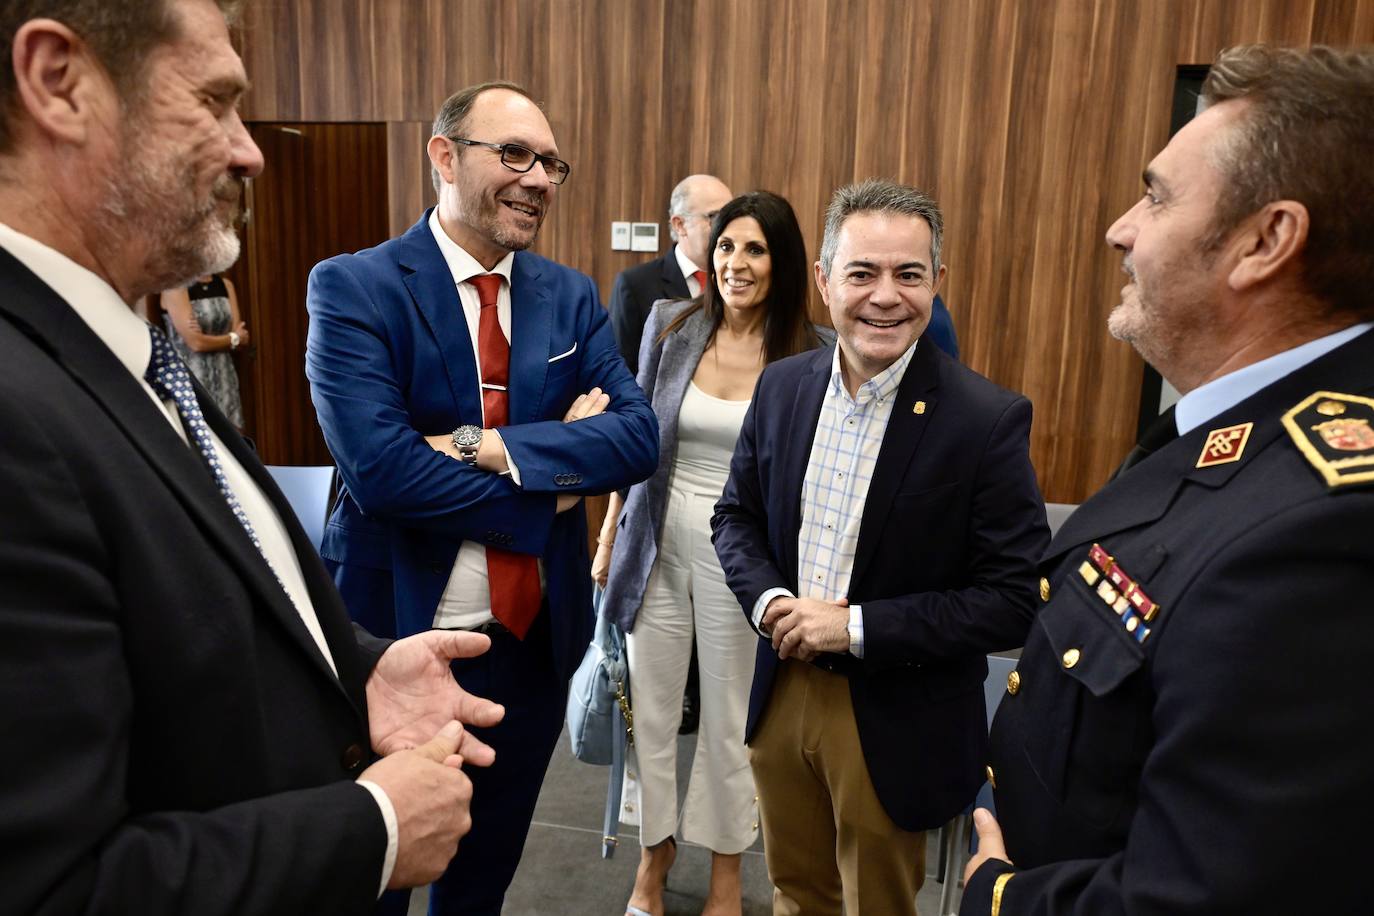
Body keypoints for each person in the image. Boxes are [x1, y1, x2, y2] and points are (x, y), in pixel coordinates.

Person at [0, 2, 508, 913]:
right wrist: (371, 831)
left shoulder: (124, 351)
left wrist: (357, 672)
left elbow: (187, 618)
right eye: (214, 102)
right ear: (58, 83)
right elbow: (48, 886)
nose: (251, 150)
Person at [960, 44, 1374, 916]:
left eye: (1155, 196)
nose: (1121, 227)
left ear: (1267, 241)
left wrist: (1000, 899)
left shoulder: (1321, 533)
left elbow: (1207, 895)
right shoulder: (1230, 427)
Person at [305, 80, 659, 916]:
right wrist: (555, 491)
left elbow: (637, 438)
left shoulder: (569, 296)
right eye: (515, 154)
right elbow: (383, 471)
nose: (538, 177)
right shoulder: (355, 289)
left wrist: (488, 446)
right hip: (389, 643)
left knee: (483, 879)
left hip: (529, 646)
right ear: (443, 156)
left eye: (550, 163)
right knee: (373, 878)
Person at [712, 178, 1049, 915]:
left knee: (878, 904)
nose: (885, 296)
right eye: (863, 273)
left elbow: (1013, 600)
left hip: (896, 714)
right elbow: (734, 518)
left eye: (910, 274)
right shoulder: (783, 388)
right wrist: (771, 603)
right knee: (797, 893)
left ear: (938, 283)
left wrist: (855, 625)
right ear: (827, 281)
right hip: (782, 690)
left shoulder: (985, 421)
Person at [595, 191, 831, 916]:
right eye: (727, 246)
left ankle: (727, 873)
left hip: (747, 559)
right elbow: (634, 439)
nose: (736, 263)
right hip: (656, 542)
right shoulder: (671, 325)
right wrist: (608, 537)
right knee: (654, 716)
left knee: (734, 723)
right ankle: (652, 862)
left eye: (755, 249)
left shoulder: (811, 352)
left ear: (781, 261)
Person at [608, 173, 733, 374]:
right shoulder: (635, 284)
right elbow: (619, 370)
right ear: (680, 224)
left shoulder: (737, 282)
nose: (726, 227)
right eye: (716, 217)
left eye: (730, 217)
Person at [161, 272, 249, 427]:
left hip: (225, 379)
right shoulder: (175, 286)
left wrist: (234, 338)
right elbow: (196, 343)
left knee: (232, 440)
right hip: (192, 379)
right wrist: (232, 338)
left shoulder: (225, 285)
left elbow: (242, 338)